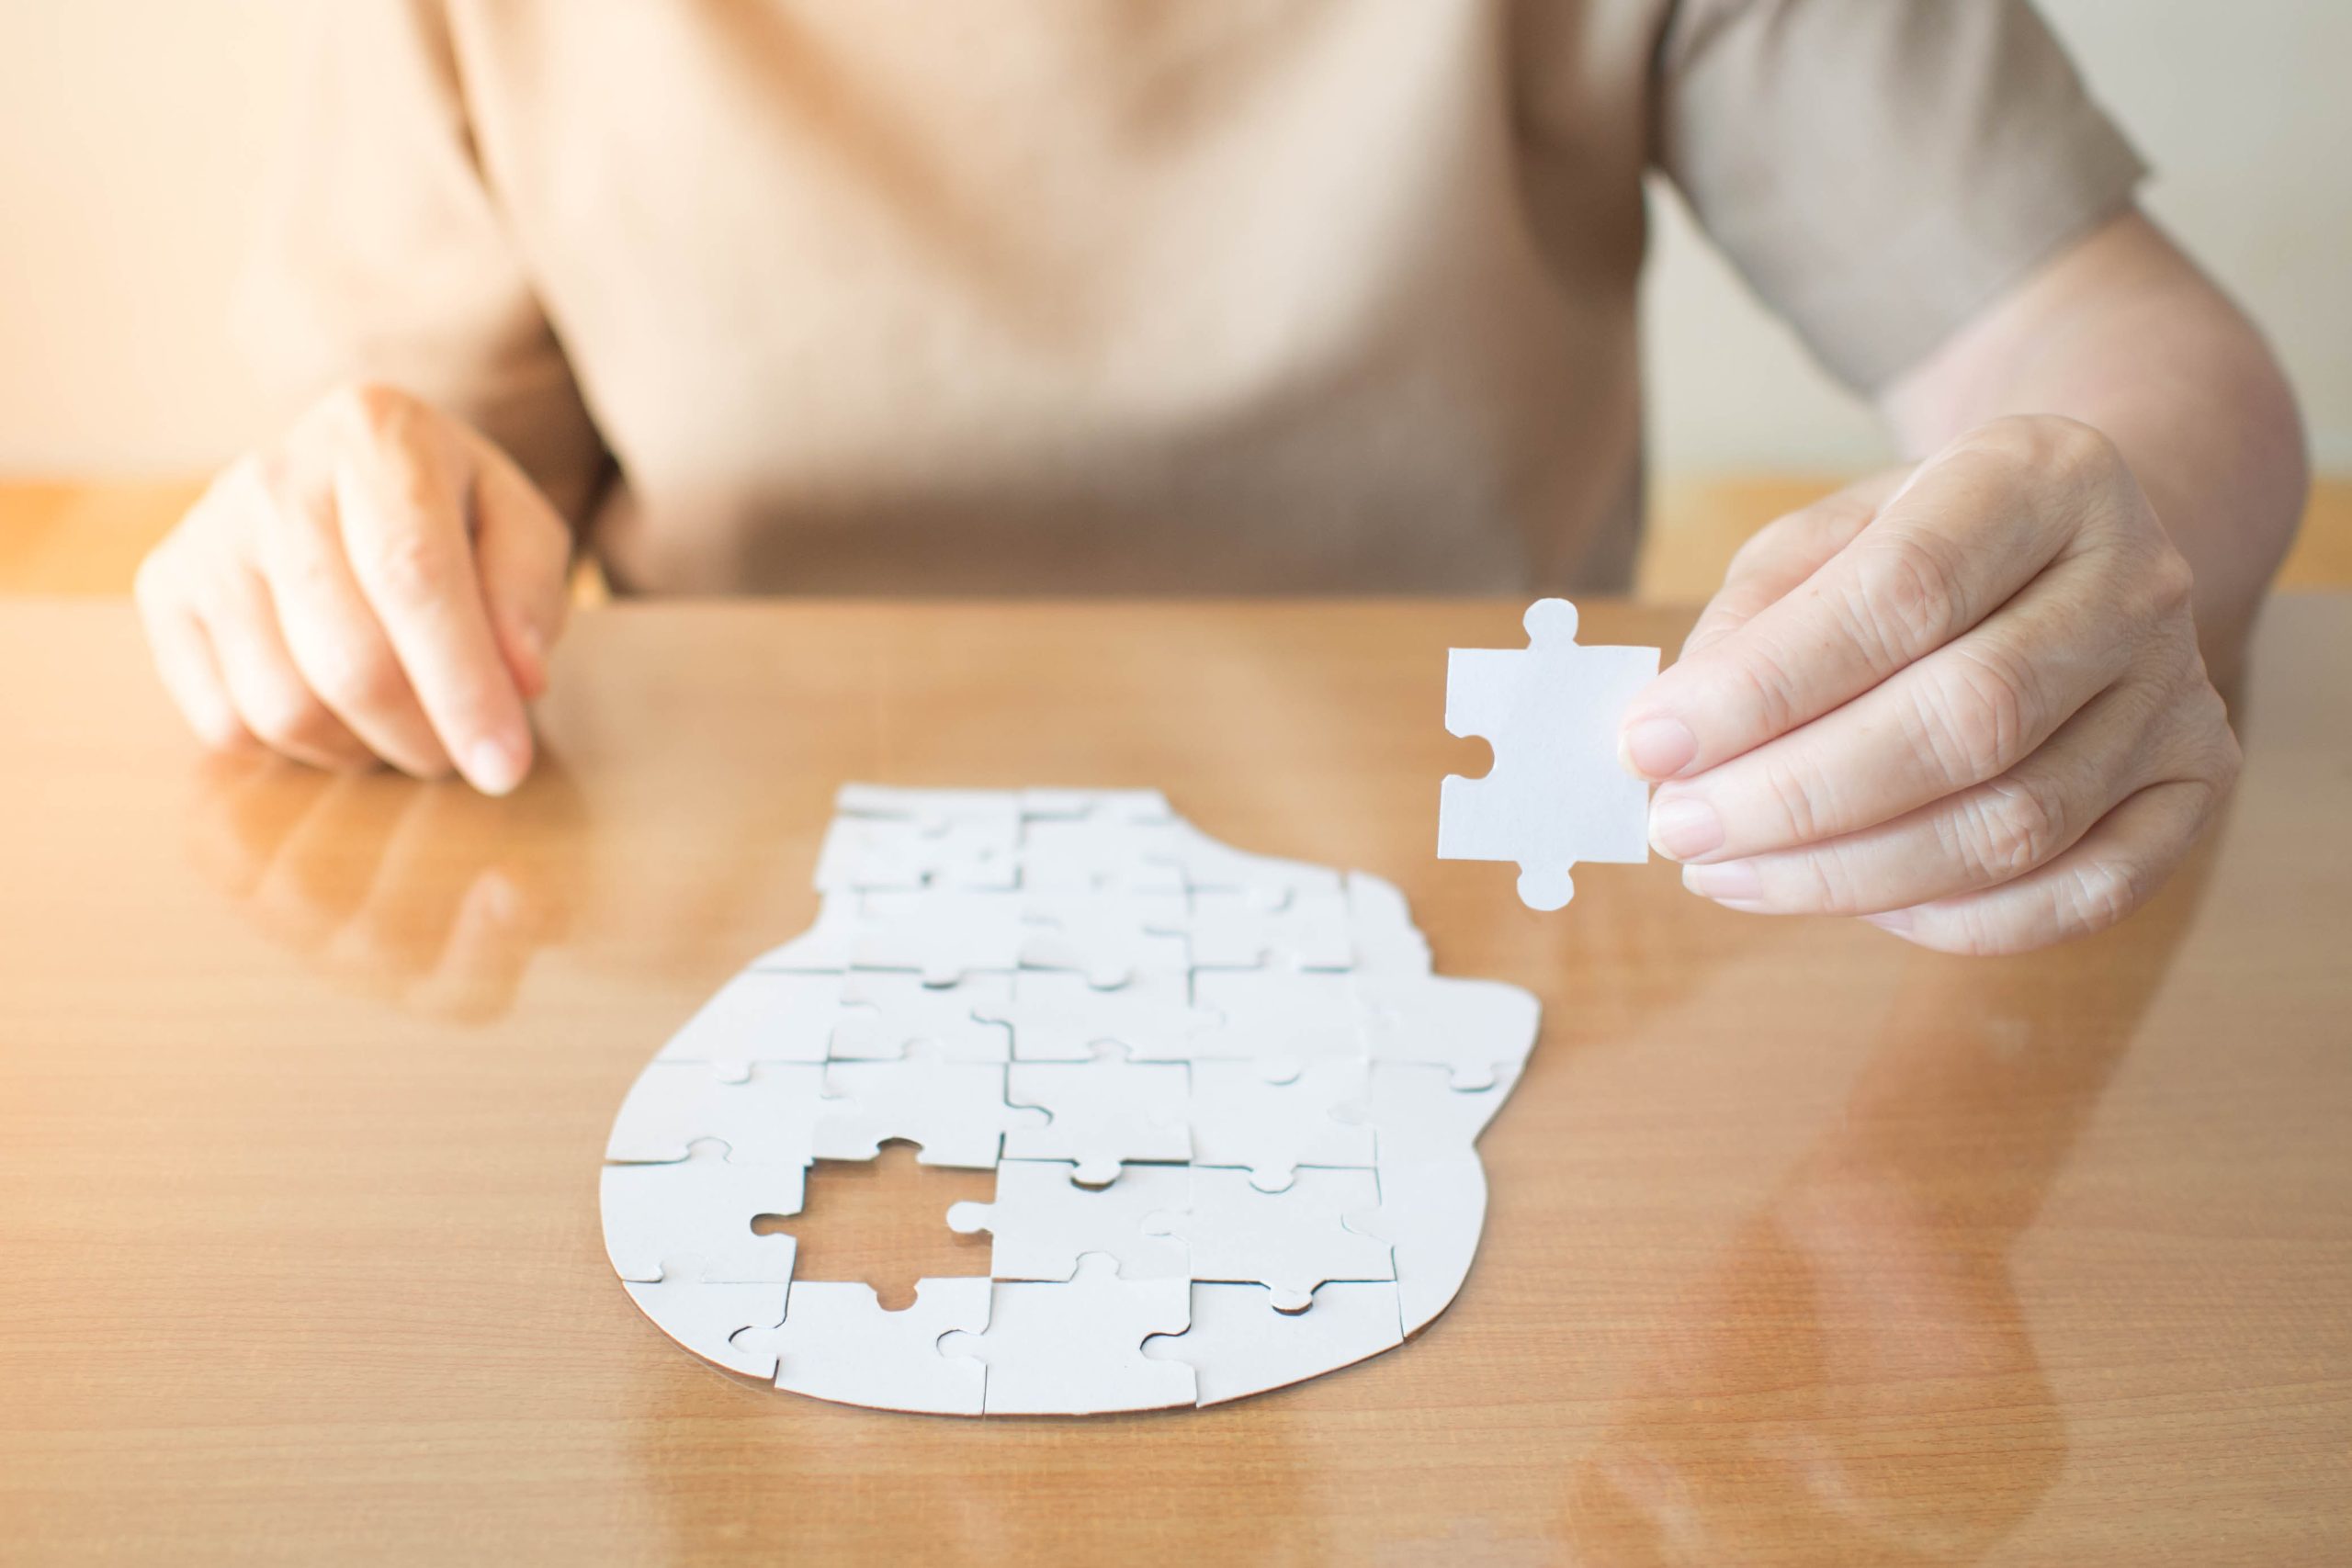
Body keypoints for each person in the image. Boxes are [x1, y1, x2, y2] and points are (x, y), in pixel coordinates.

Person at [133, 1, 2307, 956]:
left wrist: (2098, 524)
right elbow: (396, 490)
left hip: (1481, 959)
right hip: (735, 947)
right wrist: (327, 544)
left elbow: (2121, 352)